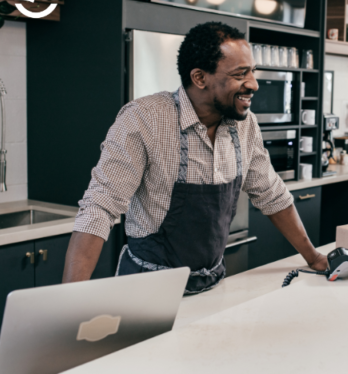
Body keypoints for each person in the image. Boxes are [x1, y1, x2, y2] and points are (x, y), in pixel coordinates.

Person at [62, 22, 327, 293]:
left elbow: (272, 195)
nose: (253, 84)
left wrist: (315, 258)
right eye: (240, 74)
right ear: (200, 78)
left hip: (212, 285)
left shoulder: (245, 125)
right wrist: (70, 301)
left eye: (253, 71)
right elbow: (99, 207)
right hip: (146, 289)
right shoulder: (145, 119)